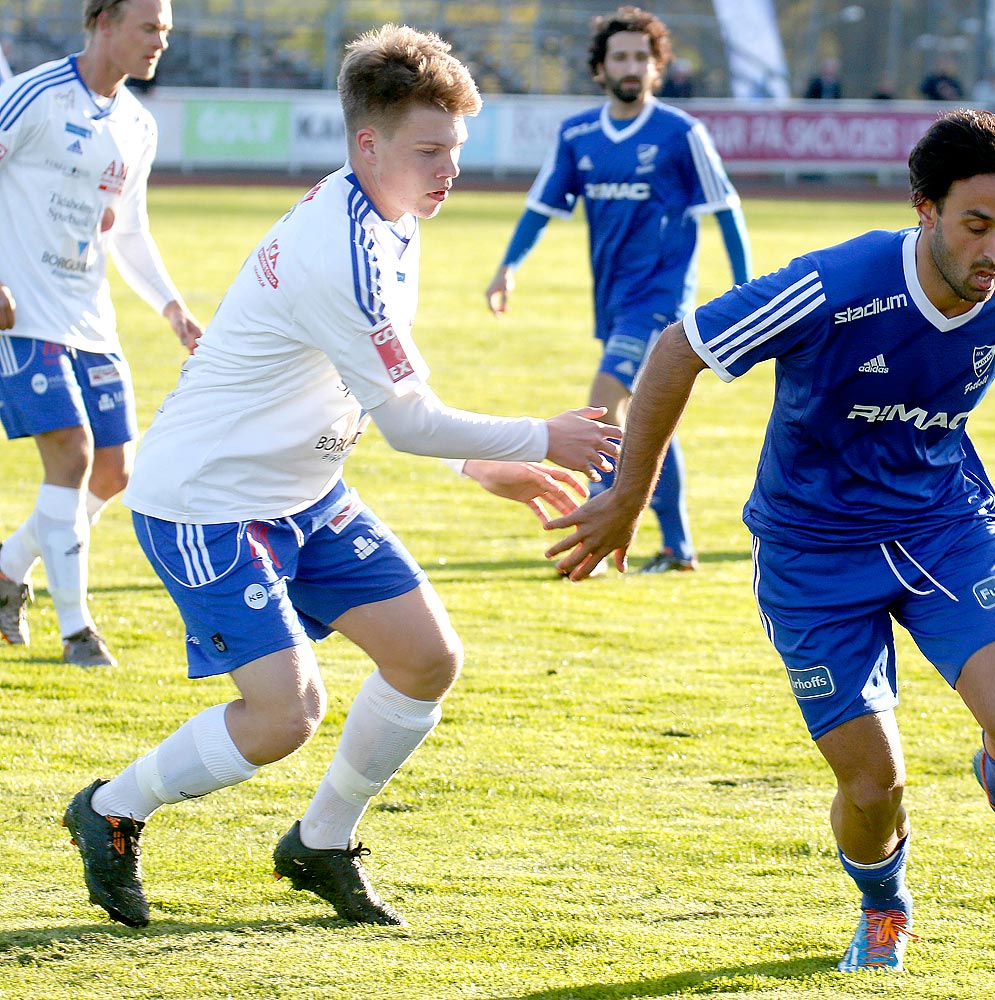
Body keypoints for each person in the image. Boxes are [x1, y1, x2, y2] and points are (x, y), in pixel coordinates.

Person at [547, 109, 995, 971]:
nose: (994, 250)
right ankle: (884, 904)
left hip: (941, 528)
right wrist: (628, 495)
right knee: (872, 785)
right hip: (812, 556)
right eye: (976, 226)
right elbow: (678, 350)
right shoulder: (834, 285)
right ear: (924, 209)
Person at [61, 23, 620, 929]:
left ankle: (321, 843)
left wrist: (476, 459)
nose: (451, 170)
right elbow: (403, 419)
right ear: (369, 143)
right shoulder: (344, 250)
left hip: (304, 492)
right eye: (430, 150)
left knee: (427, 658)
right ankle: (111, 811)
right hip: (205, 502)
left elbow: (386, 382)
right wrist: (536, 439)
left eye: (457, 150)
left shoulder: (388, 214)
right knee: (285, 714)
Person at [485, 6, 751, 574]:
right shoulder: (578, 134)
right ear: (601, 68)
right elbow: (539, 209)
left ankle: (594, 540)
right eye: (621, 57)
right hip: (612, 303)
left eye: (642, 57)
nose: (632, 66)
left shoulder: (681, 134)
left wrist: (743, 286)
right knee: (647, 417)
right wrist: (508, 266)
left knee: (604, 407)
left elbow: (727, 211)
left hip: (660, 304)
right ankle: (678, 546)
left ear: (657, 68)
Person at [0, 0, 203, 666]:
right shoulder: (33, 95)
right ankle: (77, 630)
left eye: (166, 33)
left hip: (90, 316)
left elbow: (131, 229)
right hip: (22, 313)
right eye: (149, 29)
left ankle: (6, 570)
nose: (159, 44)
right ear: (103, 22)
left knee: (115, 471)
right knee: (73, 455)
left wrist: (171, 305)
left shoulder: (138, 125)